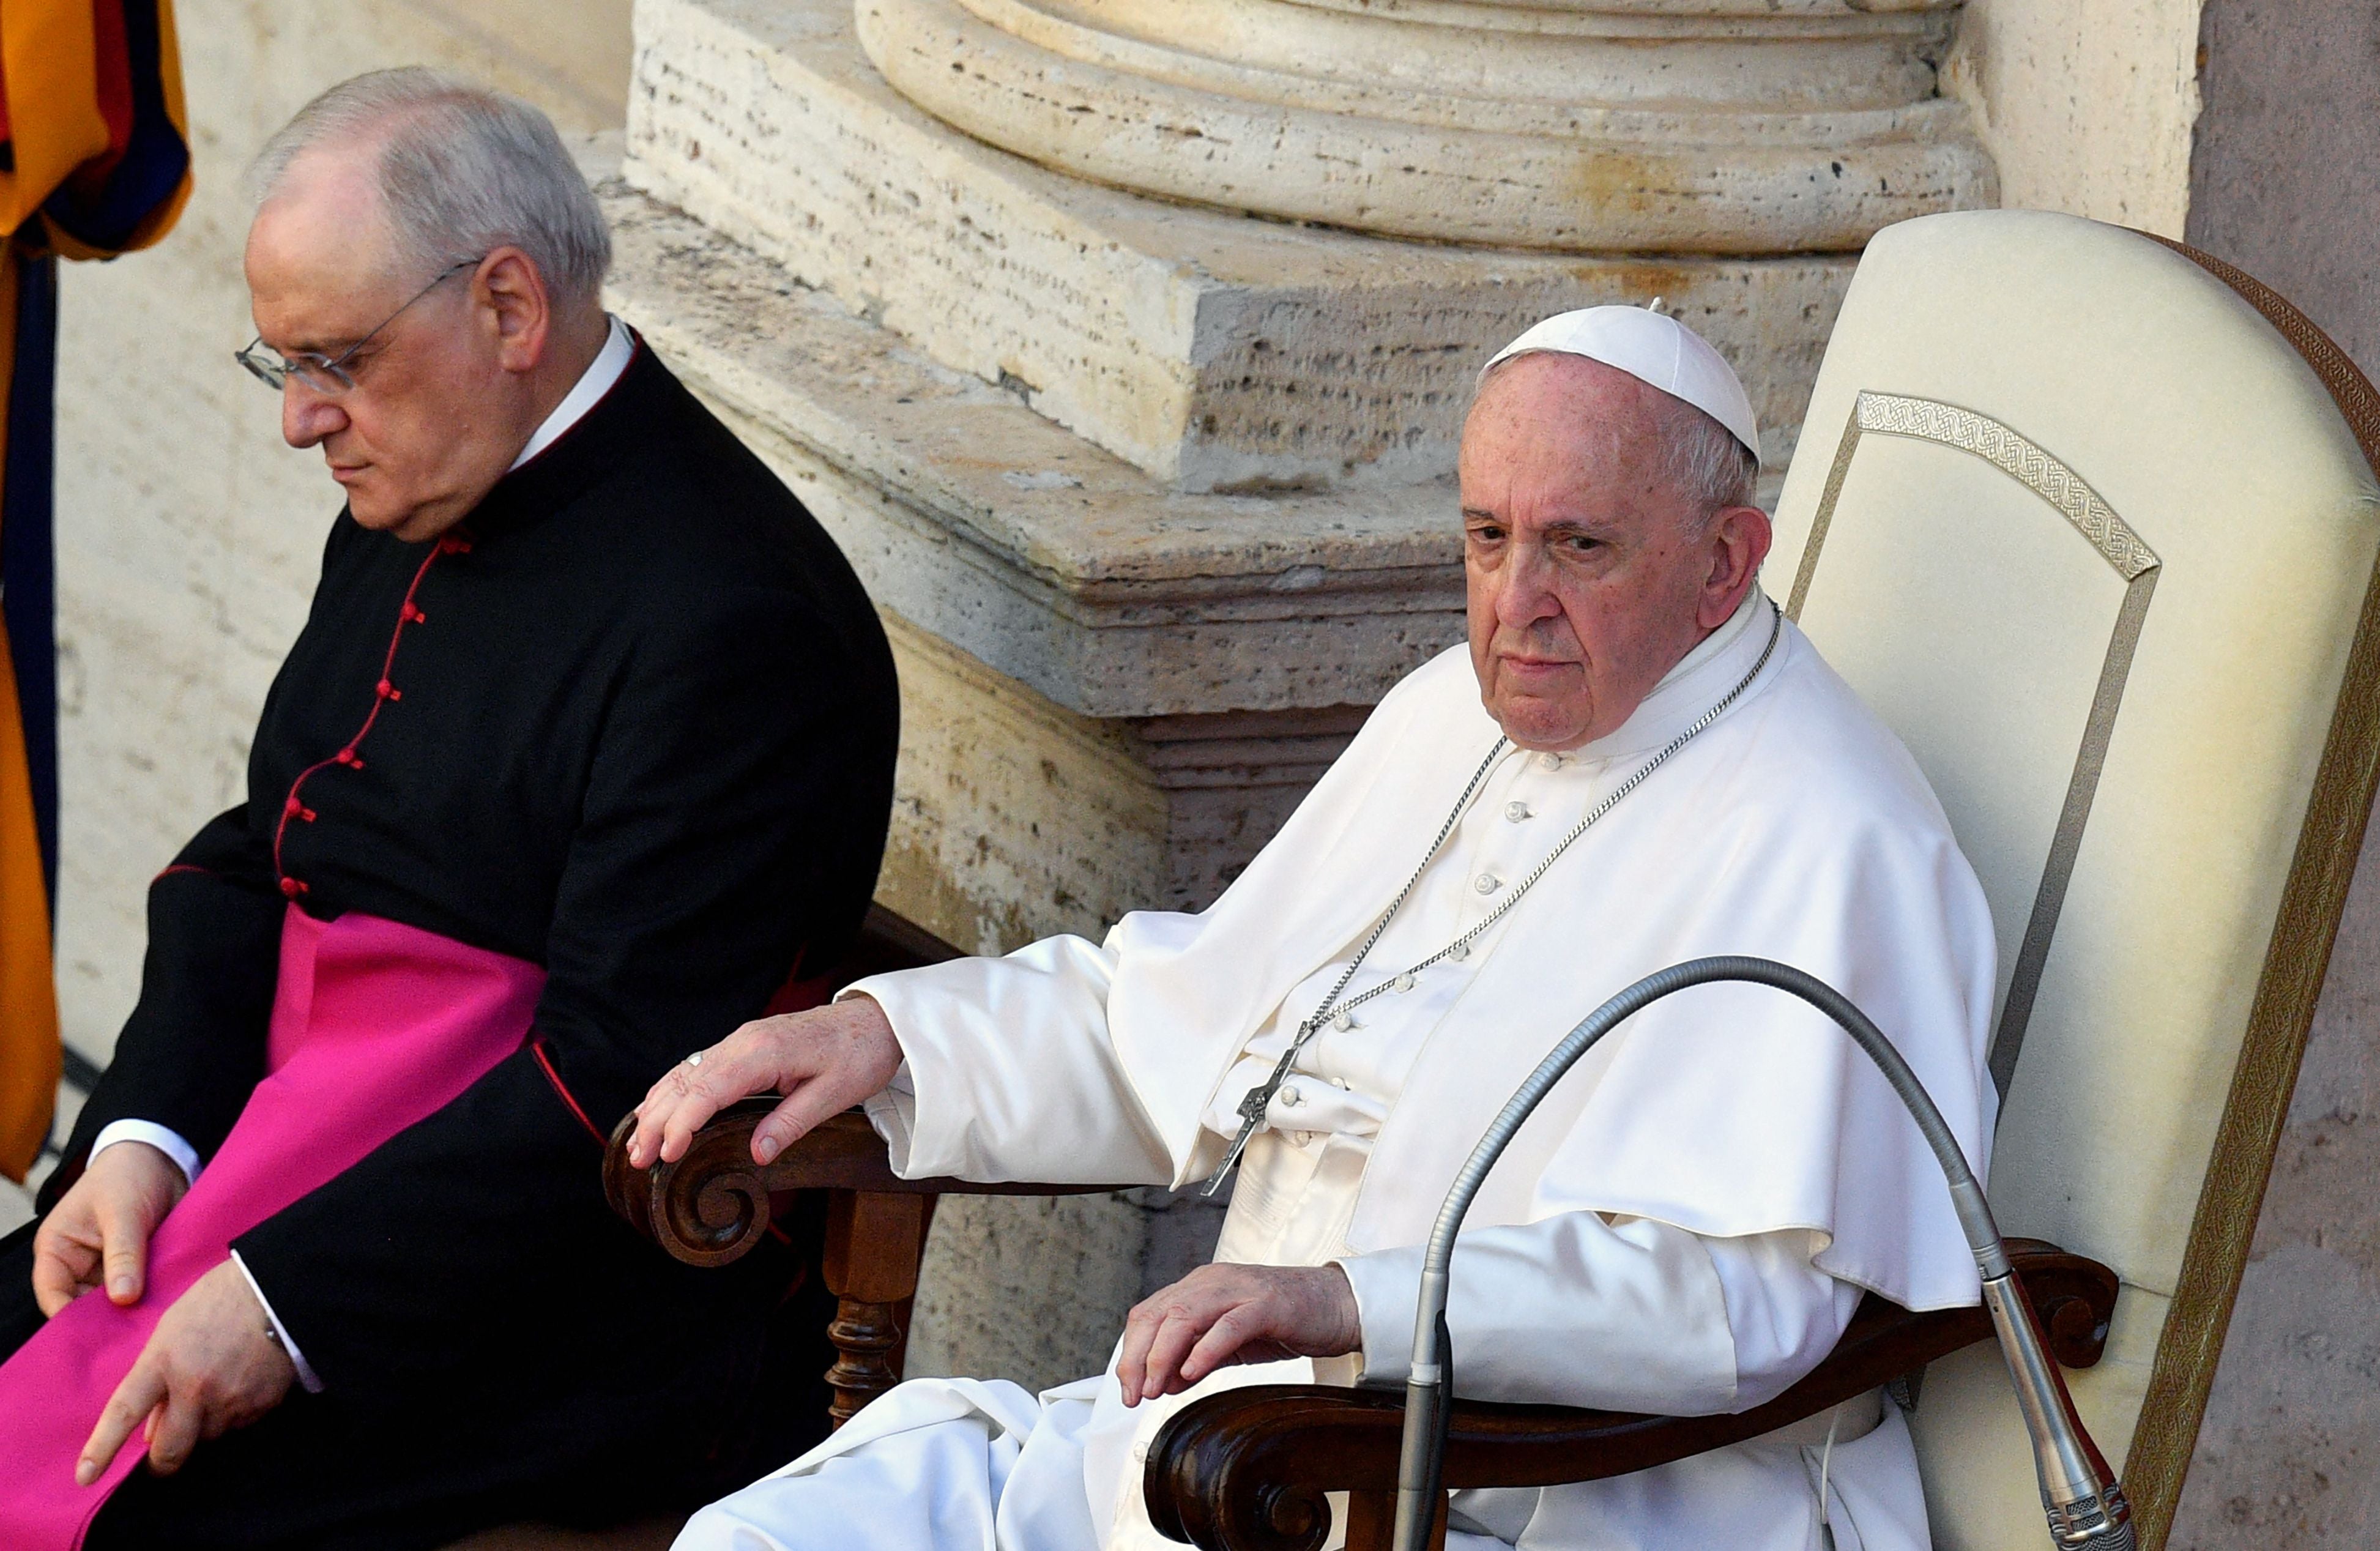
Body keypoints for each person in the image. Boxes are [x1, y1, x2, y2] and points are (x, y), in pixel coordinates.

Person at [634, 305, 1999, 1551]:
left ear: (1724, 561)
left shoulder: (1835, 836)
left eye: (1578, 544)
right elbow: (1182, 1021)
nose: (1513, 603)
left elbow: (1738, 1302)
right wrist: (885, 1035)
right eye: (1483, 535)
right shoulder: (1446, 717)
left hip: (1552, 1500)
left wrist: (1354, 1302)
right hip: (1239, 1452)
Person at [0, 69, 900, 1549]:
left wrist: (285, 1300)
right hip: (277, 1171)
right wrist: (141, 1143)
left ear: (506, 307)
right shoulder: (419, 473)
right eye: (280, 362)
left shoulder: (737, 620)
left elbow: (615, 1079)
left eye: (336, 360)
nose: (301, 422)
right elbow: (257, 858)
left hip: (541, 1314)